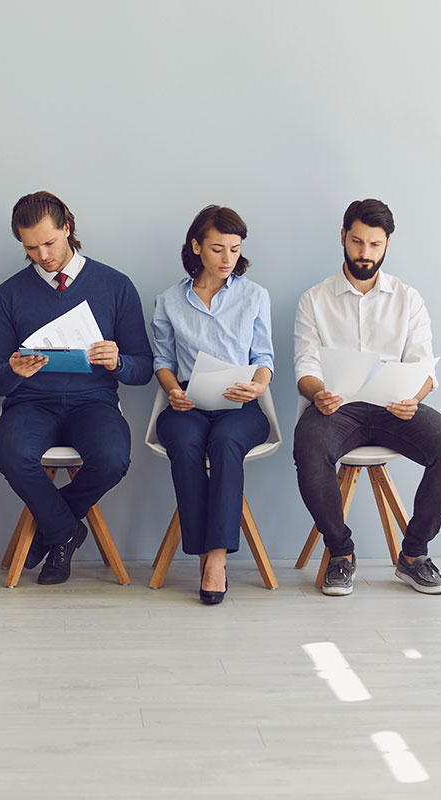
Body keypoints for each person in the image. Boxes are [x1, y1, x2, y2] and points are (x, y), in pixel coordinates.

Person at [293, 198, 441, 596]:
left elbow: (425, 368)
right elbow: (305, 367)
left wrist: (414, 397)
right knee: (309, 447)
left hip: (395, 408)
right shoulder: (314, 300)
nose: (364, 253)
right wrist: (318, 394)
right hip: (337, 409)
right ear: (343, 238)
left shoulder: (409, 299)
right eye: (356, 242)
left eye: (374, 244)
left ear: (387, 243)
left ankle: (414, 556)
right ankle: (341, 553)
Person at [0, 191, 153, 584]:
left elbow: (143, 368)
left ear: (68, 229)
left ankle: (52, 529)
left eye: (49, 242)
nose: (42, 255)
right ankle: (66, 532)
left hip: (93, 402)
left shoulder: (115, 285)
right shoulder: (9, 294)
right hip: (30, 404)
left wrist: (118, 360)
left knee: (112, 459)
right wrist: (13, 370)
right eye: (30, 247)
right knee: (11, 454)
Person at [152, 206, 273, 605]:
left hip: (240, 402)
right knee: (184, 443)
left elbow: (264, 358)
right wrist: (172, 391)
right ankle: (202, 553)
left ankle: (216, 559)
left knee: (224, 445)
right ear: (196, 247)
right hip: (188, 400)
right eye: (218, 249)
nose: (227, 260)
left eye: (235, 250)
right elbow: (163, 362)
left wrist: (257, 387)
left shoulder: (255, 296)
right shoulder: (170, 300)